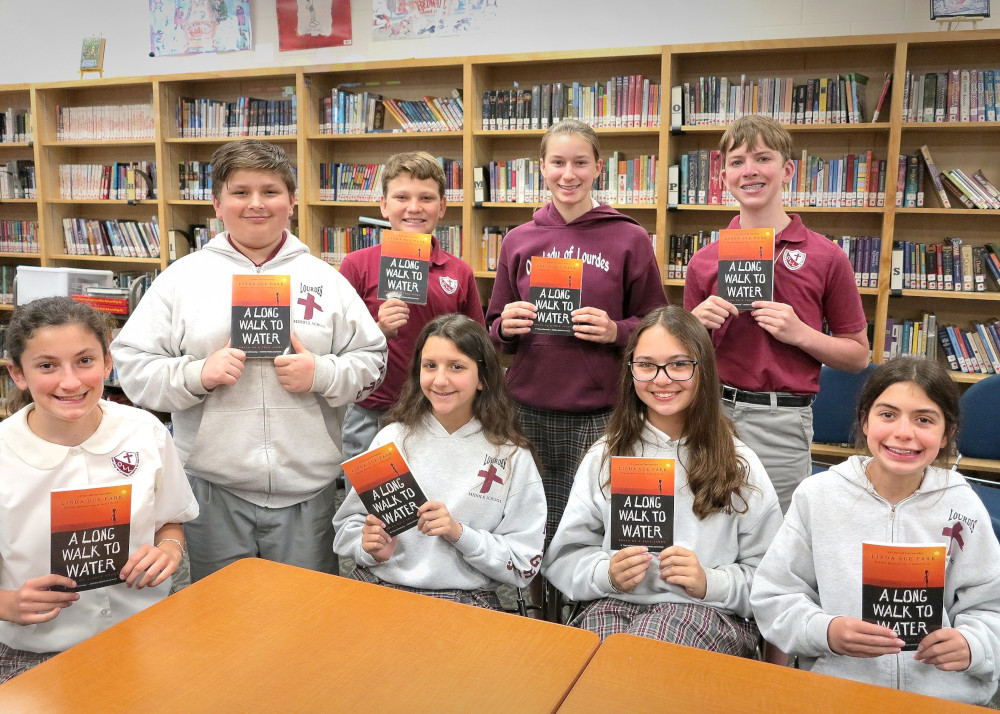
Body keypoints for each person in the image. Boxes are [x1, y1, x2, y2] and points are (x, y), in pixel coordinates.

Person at [111, 139, 387, 582]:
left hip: (307, 488)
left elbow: (372, 361)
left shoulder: (325, 279)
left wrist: (322, 372)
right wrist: (197, 374)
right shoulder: (181, 280)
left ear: (292, 202)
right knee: (221, 620)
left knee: (305, 615)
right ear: (217, 204)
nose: (256, 204)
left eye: (270, 191)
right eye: (240, 192)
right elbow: (133, 367)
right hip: (212, 486)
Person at [751, 357, 1000, 706]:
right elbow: (774, 598)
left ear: (947, 435)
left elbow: (991, 606)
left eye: (924, 419)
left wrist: (974, 645)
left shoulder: (964, 506)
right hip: (839, 693)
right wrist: (826, 631)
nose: (903, 432)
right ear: (864, 421)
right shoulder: (817, 496)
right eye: (887, 414)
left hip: (944, 698)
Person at [542, 306, 781, 653]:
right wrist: (605, 572)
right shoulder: (606, 455)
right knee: (583, 658)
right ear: (630, 371)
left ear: (704, 370)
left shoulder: (739, 463)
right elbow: (564, 558)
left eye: (680, 364)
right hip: (613, 602)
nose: (662, 378)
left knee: (642, 652)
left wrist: (708, 582)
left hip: (705, 611)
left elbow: (773, 581)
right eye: (646, 365)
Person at [486, 118, 667, 564]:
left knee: (592, 521)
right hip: (527, 406)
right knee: (529, 517)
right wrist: (505, 327)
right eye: (558, 162)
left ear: (598, 168)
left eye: (580, 163)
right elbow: (492, 328)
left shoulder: (630, 237)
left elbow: (656, 322)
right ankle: (538, 613)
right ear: (542, 168)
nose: (569, 174)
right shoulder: (519, 240)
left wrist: (616, 331)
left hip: (601, 409)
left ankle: (585, 605)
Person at [0, 297, 198, 683]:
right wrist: (6, 604)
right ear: (18, 374)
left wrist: (169, 551)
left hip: (144, 630)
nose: (71, 382)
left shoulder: (146, 432)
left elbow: (170, 521)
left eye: (85, 361)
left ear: (108, 362)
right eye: (46, 366)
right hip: (35, 649)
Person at [684, 114, 869, 513]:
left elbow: (858, 357)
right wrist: (692, 328)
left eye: (762, 159)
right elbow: (683, 361)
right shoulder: (704, 261)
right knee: (710, 522)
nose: (749, 171)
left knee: (778, 537)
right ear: (723, 177)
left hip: (782, 421)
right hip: (712, 414)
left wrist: (800, 333)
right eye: (736, 162)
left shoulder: (827, 257)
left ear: (787, 170)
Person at [333, 314, 546, 610]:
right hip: (378, 586)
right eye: (430, 366)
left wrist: (460, 534)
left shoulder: (510, 455)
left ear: (483, 378)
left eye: (456, 367)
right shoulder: (391, 439)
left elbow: (524, 562)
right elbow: (348, 525)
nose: (440, 380)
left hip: (466, 599)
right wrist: (368, 547)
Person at [339, 151, 484, 463]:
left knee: (433, 498)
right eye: (401, 196)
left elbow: (478, 347)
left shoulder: (458, 271)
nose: (414, 208)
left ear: (442, 207)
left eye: (427, 198)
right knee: (370, 504)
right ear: (384, 204)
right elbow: (335, 346)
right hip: (371, 409)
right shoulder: (357, 265)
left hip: (439, 409)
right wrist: (377, 330)